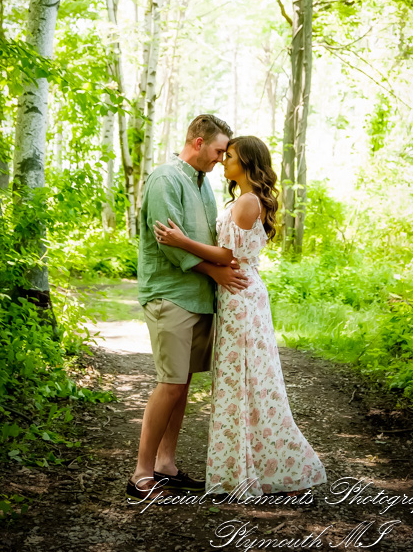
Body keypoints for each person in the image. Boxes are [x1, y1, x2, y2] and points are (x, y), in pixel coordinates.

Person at [154, 135, 327, 498]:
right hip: (234, 296)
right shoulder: (240, 199)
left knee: (250, 382)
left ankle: (279, 467)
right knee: (239, 382)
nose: (223, 161)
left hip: (242, 296)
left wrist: (181, 241)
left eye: (229, 156)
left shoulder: (248, 202)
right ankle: (245, 469)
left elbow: (226, 257)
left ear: (246, 163)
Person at [127, 114, 250, 501]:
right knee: (169, 384)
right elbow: (167, 242)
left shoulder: (203, 185)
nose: (220, 160)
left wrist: (222, 269)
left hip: (199, 298)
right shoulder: (166, 178)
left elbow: (205, 238)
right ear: (198, 142)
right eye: (217, 151)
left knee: (181, 386)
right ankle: (141, 473)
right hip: (170, 295)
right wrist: (217, 272)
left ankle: (166, 464)